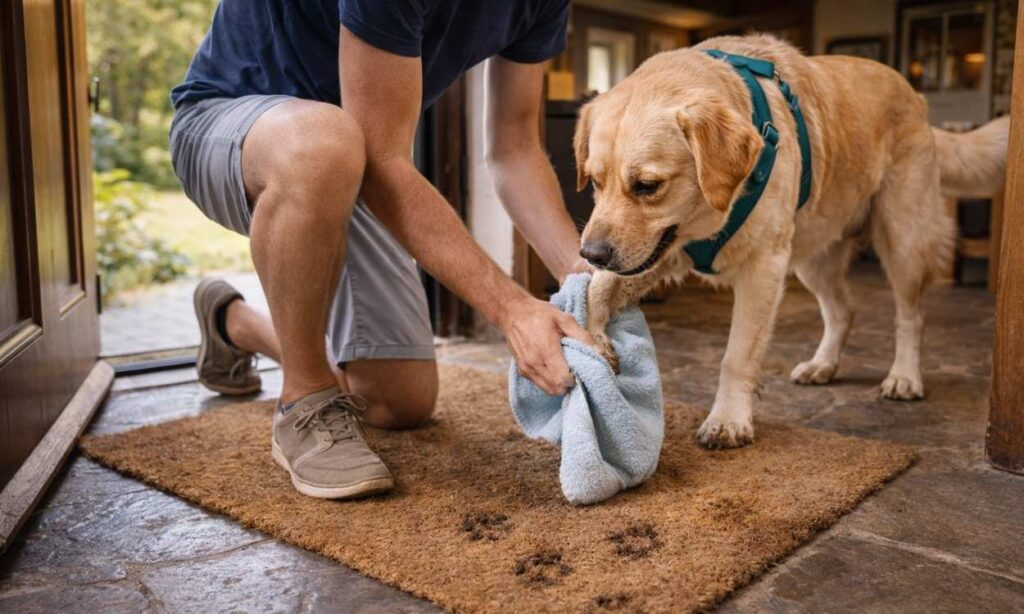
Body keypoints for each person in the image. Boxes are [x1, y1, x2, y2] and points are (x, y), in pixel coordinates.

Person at [170, 0, 593, 499]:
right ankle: (303, 400)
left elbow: (513, 147)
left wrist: (582, 274)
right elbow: (387, 160)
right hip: (233, 126)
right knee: (326, 142)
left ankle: (231, 323)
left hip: (354, 159)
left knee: (399, 403)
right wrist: (513, 309)